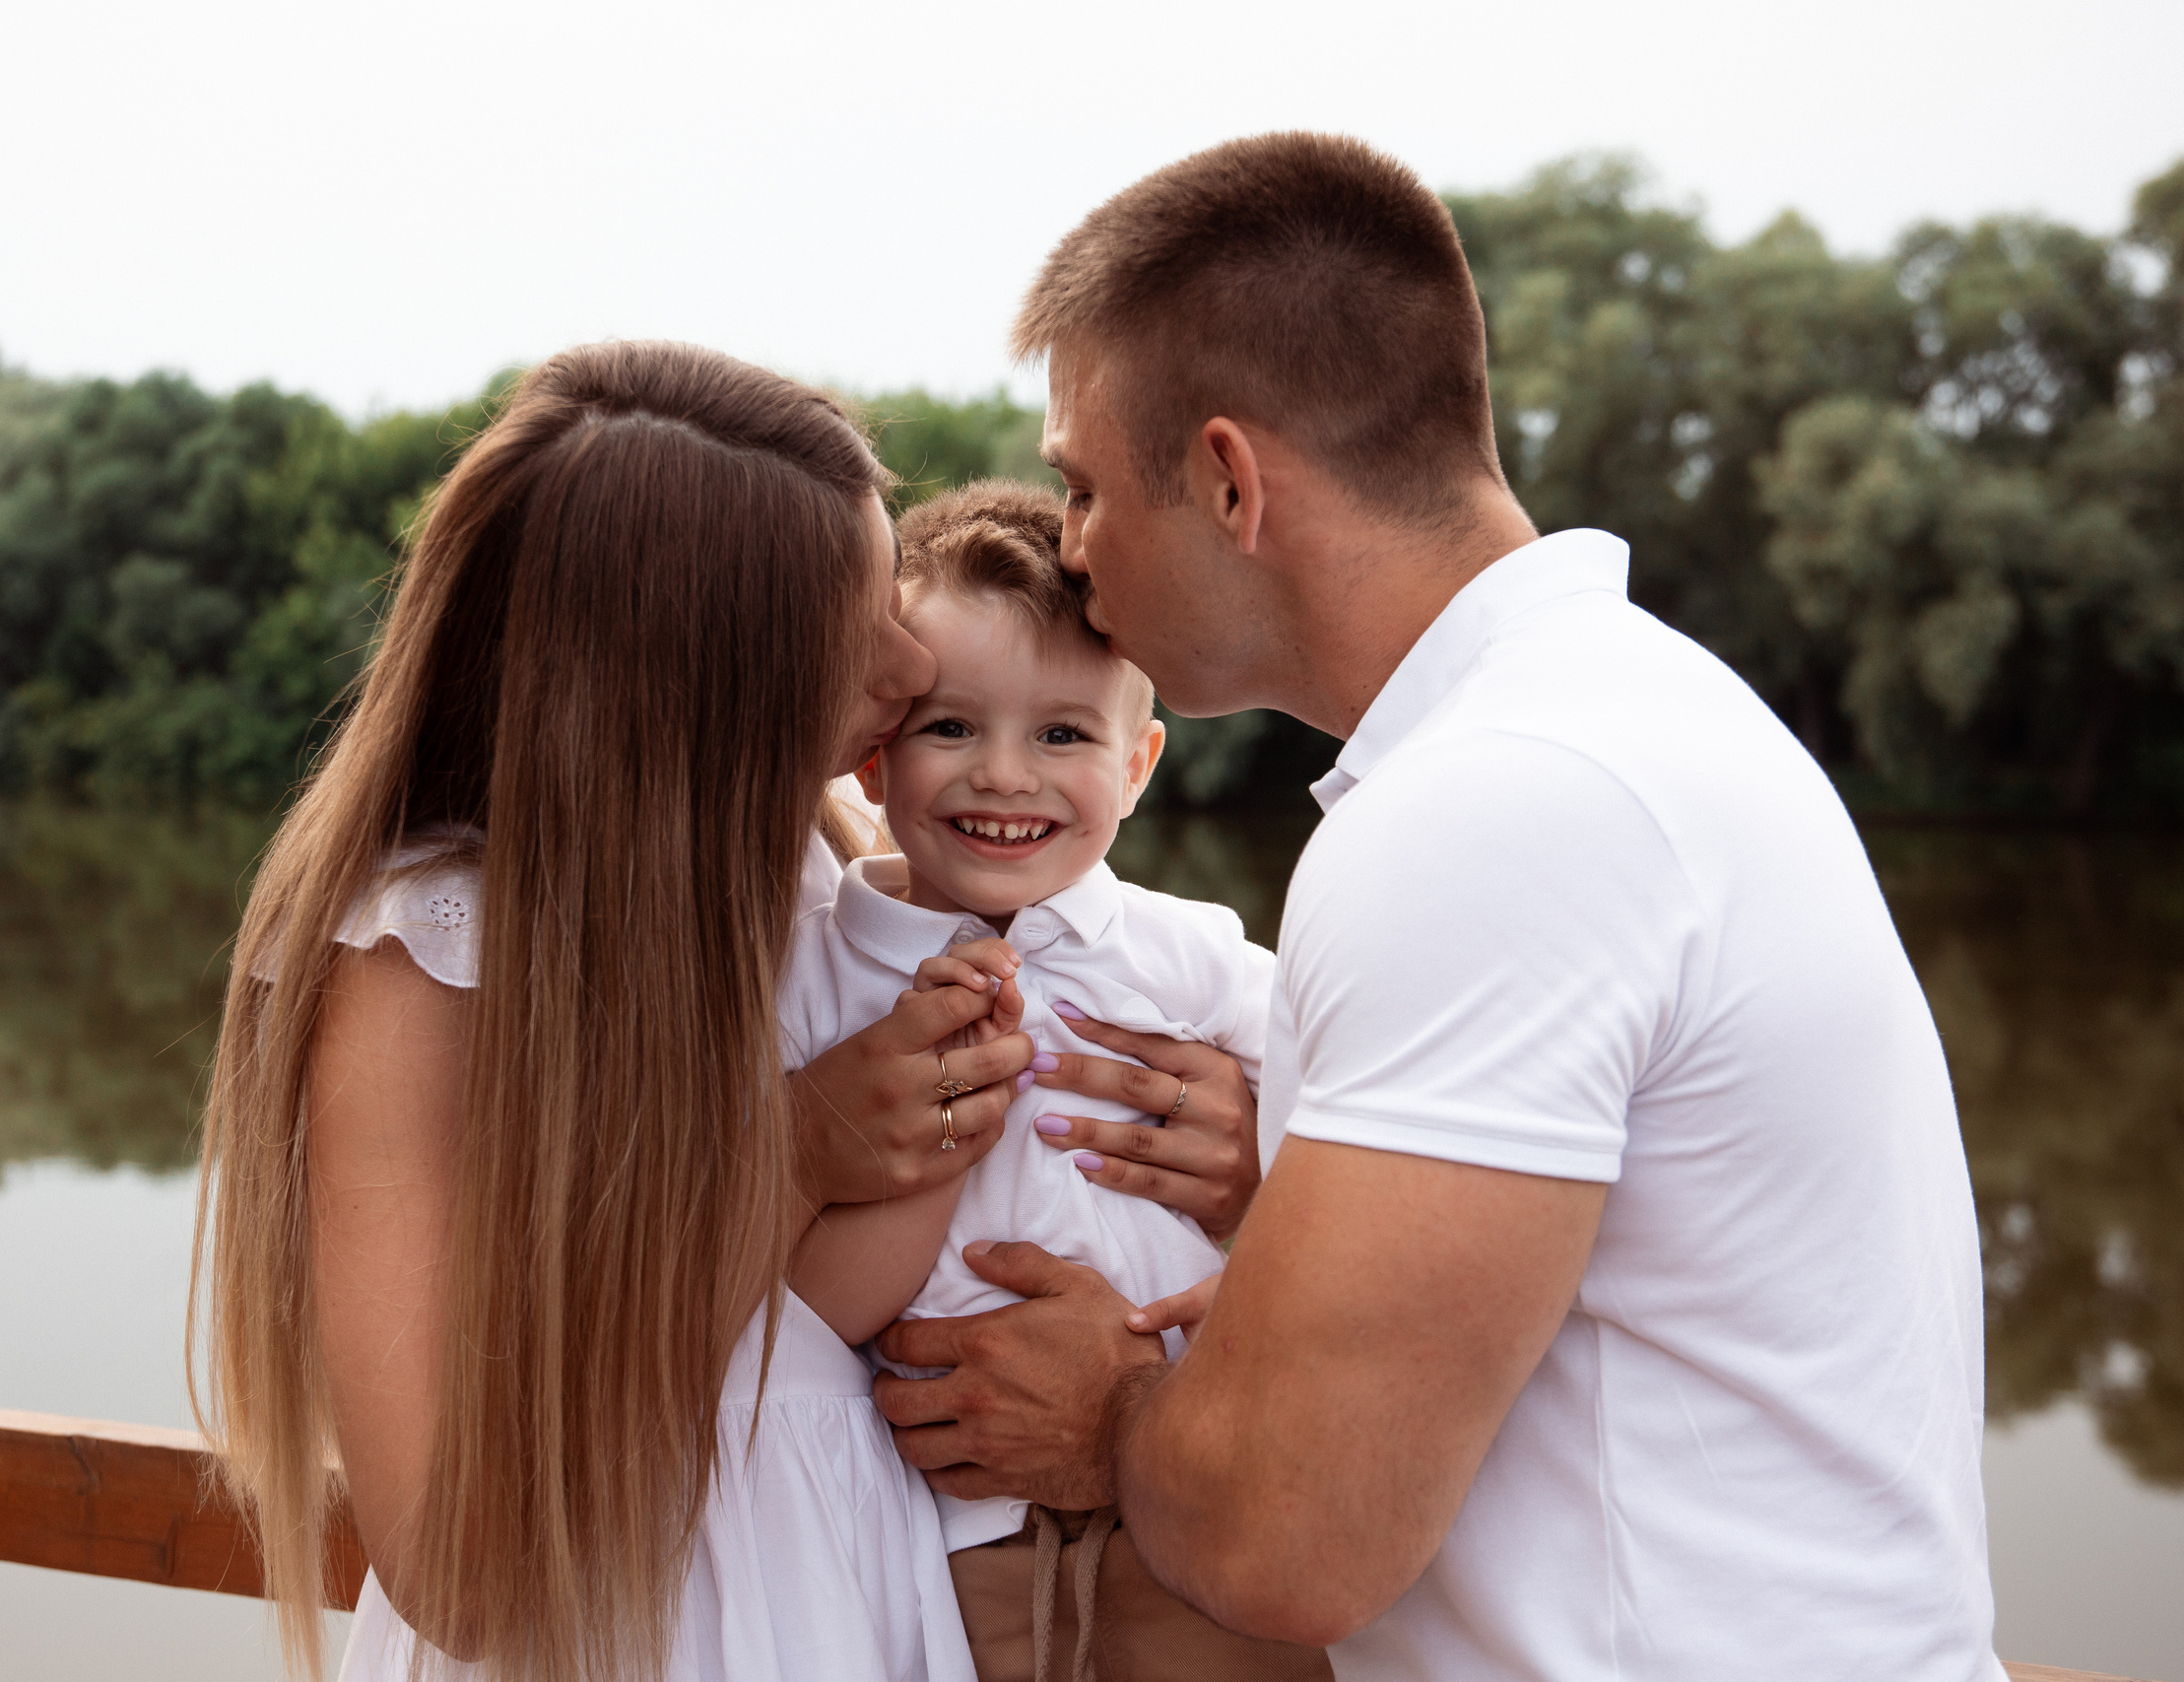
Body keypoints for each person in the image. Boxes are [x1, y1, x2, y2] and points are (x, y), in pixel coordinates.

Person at [872, 133, 2005, 1680]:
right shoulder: (1631, 714)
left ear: (1225, 479)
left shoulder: (1495, 810)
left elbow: (1289, 1535)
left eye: (1080, 486)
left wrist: (1105, 1410)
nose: (1072, 549)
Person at [192, 341, 1039, 1682]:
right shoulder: (429, 964)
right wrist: (792, 1153)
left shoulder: (834, 859)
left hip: (845, 1601)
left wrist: (1231, 1117)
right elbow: (462, 1564)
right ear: (698, 667)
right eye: (856, 615)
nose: (912, 651)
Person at [781, 480, 1326, 1681]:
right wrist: (930, 1136)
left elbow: (1344, 1178)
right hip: (945, 1535)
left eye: (1063, 735)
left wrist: (1252, 1220)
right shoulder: (814, 975)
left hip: (1187, 1497)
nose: (1005, 776)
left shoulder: (1190, 957)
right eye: (950, 728)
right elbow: (806, 1305)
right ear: (873, 762)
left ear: (1137, 765)